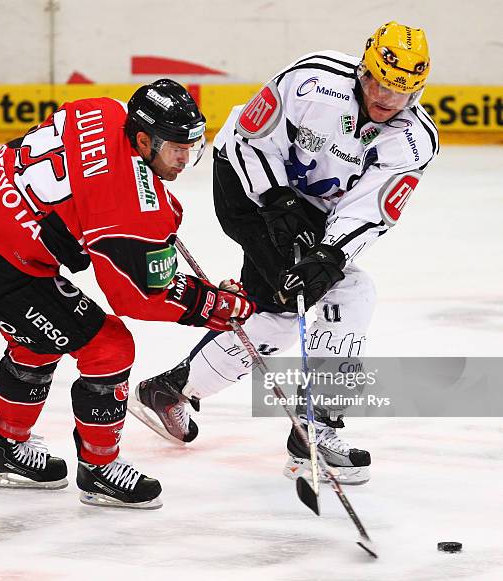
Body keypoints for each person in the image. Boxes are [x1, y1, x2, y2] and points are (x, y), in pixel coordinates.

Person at [131, 22, 438, 485]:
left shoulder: (414, 140)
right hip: (244, 186)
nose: (388, 99)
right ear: (364, 68)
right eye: (380, 82)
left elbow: (370, 209)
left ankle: (170, 389)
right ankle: (314, 432)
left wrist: (329, 255)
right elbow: (250, 140)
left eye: (403, 90)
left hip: (312, 212)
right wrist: (277, 199)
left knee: (279, 314)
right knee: (351, 295)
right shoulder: (312, 80)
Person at [0, 79, 255, 509]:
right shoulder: (124, 202)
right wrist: (211, 304)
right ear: (143, 139)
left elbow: (86, 167)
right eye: (175, 148)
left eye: (191, 146)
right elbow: (137, 296)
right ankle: (99, 469)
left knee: (40, 337)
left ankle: (5, 450)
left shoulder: (104, 109)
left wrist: (146, 205)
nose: (184, 158)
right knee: (108, 346)